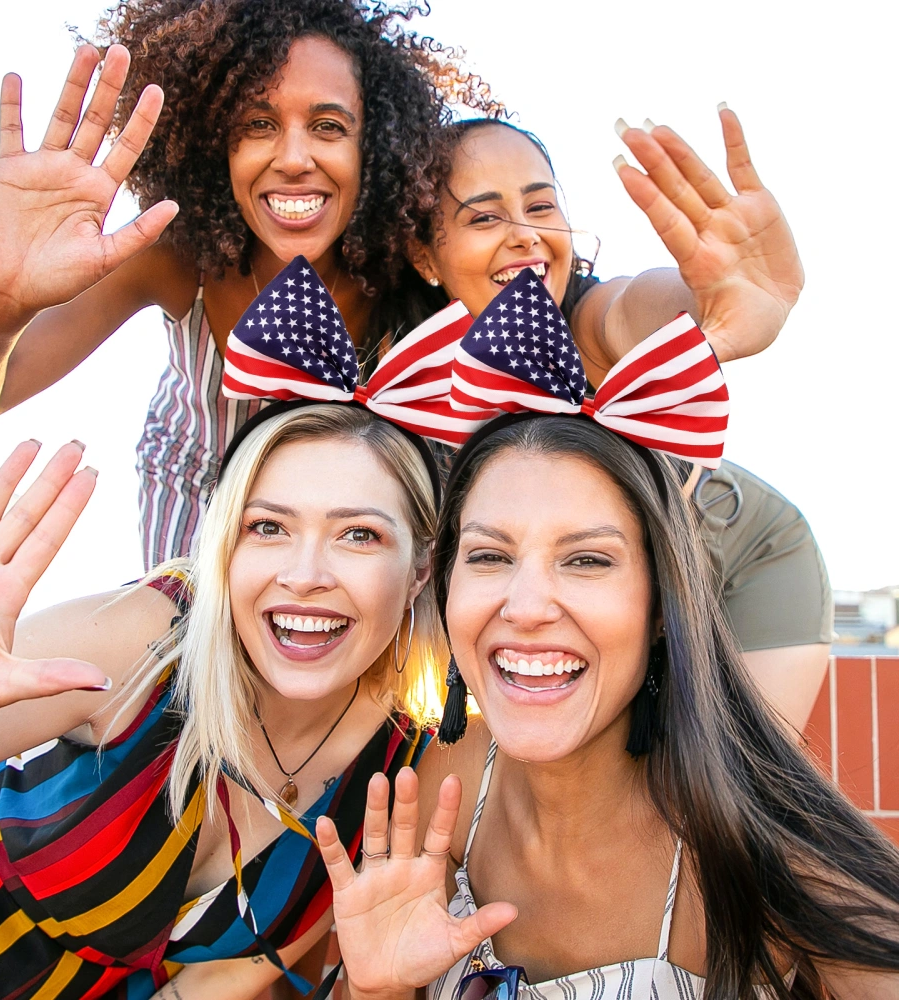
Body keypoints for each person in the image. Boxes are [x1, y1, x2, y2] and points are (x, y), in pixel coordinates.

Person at [315, 275, 899, 1000]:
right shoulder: (448, 784)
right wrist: (375, 989)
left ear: (662, 606)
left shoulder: (782, 867)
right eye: (491, 555)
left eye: (587, 560)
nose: (525, 606)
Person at [0, 261, 460, 998]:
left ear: (420, 569)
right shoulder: (151, 637)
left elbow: (218, 981)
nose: (305, 573)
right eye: (268, 528)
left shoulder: (401, 776)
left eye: (359, 536)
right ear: (225, 545)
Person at [0, 0, 495, 570]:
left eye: (328, 126)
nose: (294, 158)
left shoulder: (412, 279)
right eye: (257, 125)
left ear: (373, 150)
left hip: (362, 528)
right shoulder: (176, 261)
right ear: (215, 143)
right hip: (200, 514)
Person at [403, 109, 830, 730]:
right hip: (607, 589)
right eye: (484, 216)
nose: (525, 234)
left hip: (741, 549)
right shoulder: (402, 373)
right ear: (425, 256)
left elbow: (634, 308)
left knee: (728, 800)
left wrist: (706, 302)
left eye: (541, 207)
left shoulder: (585, 319)